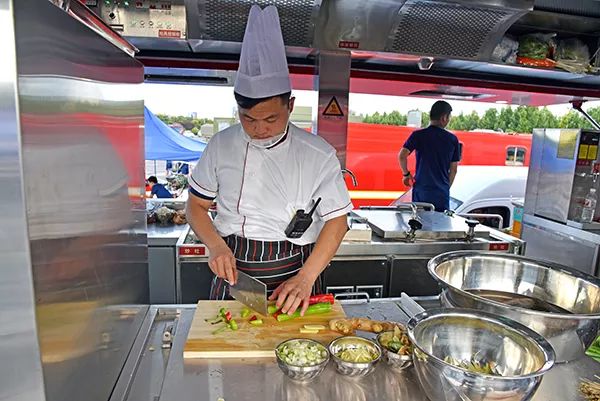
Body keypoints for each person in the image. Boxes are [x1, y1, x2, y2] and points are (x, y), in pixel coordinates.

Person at [186, 5, 352, 316]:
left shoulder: (318, 154)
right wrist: (216, 246)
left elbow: (338, 220)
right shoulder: (220, 145)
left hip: (296, 269)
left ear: (290, 105)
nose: (259, 130)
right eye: (248, 119)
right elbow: (194, 206)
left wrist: (306, 278)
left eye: (271, 119)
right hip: (233, 267)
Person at [398, 101, 460, 212]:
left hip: (421, 192)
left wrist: (406, 174)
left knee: (419, 224)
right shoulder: (452, 140)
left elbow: (402, 156)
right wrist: (444, 187)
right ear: (444, 118)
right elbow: (454, 170)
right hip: (441, 195)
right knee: (440, 226)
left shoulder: (418, 135)